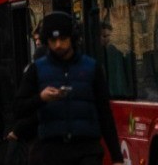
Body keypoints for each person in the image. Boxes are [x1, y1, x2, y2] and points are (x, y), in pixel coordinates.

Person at [10, 11, 123, 165]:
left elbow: (105, 113)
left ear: (72, 38)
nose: (58, 45)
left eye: (63, 39)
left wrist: (117, 157)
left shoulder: (91, 67)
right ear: (46, 41)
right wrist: (41, 98)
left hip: (86, 149)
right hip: (52, 150)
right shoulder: (36, 69)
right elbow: (18, 108)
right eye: (53, 40)